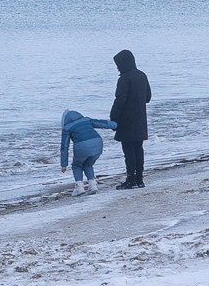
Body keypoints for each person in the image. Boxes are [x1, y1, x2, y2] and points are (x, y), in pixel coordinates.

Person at [110, 49, 152, 188]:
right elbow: (148, 97)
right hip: (140, 119)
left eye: (118, 64)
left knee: (128, 151)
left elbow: (120, 100)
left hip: (126, 120)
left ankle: (130, 179)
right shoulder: (142, 75)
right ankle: (139, 179)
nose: (117, 67)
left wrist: (113, 117)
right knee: (138, 149)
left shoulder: (124, 78)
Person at [58, 109, 116, 194]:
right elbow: (102, 123)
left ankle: (79, 187)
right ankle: (93, 185)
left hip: (82, 146)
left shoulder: (67, 128)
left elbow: (64, 146)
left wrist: (64, 164)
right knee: (88, 164)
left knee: (76, 165)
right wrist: (115, 125)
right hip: (97, 143)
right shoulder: (86, 120)